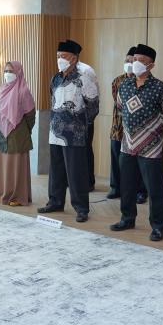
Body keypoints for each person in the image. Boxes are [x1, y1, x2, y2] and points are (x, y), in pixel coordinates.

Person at [109, 44, 163, 240]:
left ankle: (158, 226)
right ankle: (127, 218)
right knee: (127, 186)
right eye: (134, 60)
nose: (135, 63)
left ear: (151, 65)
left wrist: (153, 125)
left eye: (141, 60)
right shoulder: (124, 85)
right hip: (127, 145)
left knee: (155, 189)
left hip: (152, 147)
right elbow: (120, 109)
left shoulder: (160, 87)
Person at [39, 39, 99, 222]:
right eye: (58, 56)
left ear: (74, 58)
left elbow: (93, 106)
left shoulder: (84, 79)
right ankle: (55, 202)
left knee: (76, 172)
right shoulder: (55, 78)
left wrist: (81, 124)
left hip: (75, 134)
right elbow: (53, 100)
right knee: (56, 169)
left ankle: (81, 208)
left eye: (63, 56)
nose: (59, 59)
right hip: (55, 132)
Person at [0, 61, 36, 206]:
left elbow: (30, 116)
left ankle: (17, 196)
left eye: (11, 71)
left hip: (18, 133)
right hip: (1, 132)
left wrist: (24, 131)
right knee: (1, 164)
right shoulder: (2, 89)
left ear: (19, 73)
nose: (7, 74)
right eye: (6, 71)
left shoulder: (23, 91)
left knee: (15, 165)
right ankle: (0, 192)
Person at [107, 48, 145, 203]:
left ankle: (140, 191)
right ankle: (115, 187)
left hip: (135, 131)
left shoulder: (142, 81)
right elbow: (118, 103)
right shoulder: (117, 81)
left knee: (138, 162)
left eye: (132, 61)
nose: (129, 64)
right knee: (116, 159)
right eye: (127, 61)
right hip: (117, 128)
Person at [77, 58, 99, 190]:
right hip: (70, 121)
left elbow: (94, 97)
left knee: (85, 150)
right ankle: (74, 180)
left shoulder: (86, 70)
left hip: (84, 119)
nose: (60, 59)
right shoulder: (63, 71)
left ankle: (88, 182)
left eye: (63, 56)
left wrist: (88, 120)